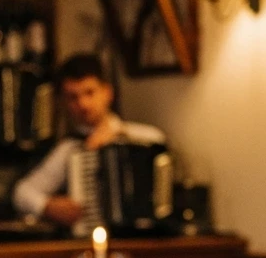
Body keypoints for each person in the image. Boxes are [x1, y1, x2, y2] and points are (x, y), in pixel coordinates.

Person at [12, 53, 165, 229]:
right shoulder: (70, 149)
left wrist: (118, 133)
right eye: (73, 97)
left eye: (89, 92)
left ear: (107, 93)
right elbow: (21, 193)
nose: (83, 104)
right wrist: (48, 206)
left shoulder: (148, 137)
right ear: (63, 102)